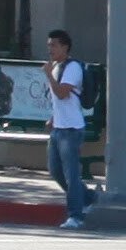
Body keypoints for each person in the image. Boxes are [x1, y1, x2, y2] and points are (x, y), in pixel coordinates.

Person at [44, 29, 90, 229]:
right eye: (49, 45)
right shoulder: (56, 67)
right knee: (55, 170)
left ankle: (76, 216)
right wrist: (53, 118)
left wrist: (49, 76)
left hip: (71, 129)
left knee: (71, 175)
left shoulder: (72, 68)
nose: (50, 49)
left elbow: (62, 93)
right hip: (59, 128)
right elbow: (60, 102)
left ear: (65, 47)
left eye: (54, 45)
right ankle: (89, 197)